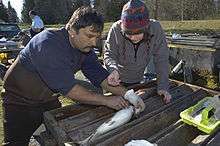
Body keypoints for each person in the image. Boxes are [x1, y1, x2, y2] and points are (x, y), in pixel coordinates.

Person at [2, 7, 131, 146]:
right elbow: (70, 89)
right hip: (19, 101)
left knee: (57, 136)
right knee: (16, 143)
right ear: (71, 30)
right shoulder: (47, 43)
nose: (94, 43)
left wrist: (129, 95)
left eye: (97, 37)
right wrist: (107, 100)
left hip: (47, 99)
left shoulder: (84, 49)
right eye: (89, 36)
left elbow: (100, 77)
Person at [104, 0, 172, 103]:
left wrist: (163, 86)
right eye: (128, 33)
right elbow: (109, 54)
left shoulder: (155, 28)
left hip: (138, 81)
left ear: (146, 27)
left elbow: (161, 59)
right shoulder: (115, 29)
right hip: (114, 81)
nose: (132, 37)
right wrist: (113, 70)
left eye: (137, 33)